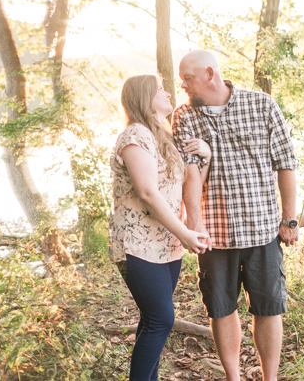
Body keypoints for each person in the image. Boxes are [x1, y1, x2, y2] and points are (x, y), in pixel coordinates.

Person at [172, 50, 298, 381]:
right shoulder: (184, 116)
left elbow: (286, 163)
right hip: (215, 234)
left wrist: (290, 219)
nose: (183, 85)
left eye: (187, 79)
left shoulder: (262, 105)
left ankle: (269, 378)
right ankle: (233, 377)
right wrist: (193, 224)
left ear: (210, 74)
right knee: (221, 308)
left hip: (263, 230)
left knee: (269, 309)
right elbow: (190, 173)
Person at [109, 74, 212, 381]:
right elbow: (147, 192)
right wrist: (185, 232)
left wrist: (205, 157)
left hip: (166, 245)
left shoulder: (161, 137)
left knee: (152, 320)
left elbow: (184, 186)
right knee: (161, 319)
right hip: (138, 245)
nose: (169, 94)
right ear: (145, 98)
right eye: (160, 90)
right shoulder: (134, 136)